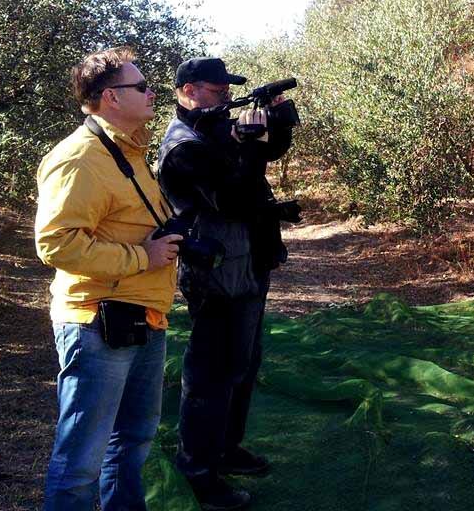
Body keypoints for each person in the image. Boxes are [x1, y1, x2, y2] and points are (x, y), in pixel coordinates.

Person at [36, 47, 182, 511]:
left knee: (132, 442)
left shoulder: (130, 153)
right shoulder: (79, 158)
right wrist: (144, 256)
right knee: (81, 459)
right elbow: (56, 244)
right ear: (110, 98)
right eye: (141, 87)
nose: (152, 92)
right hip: (97, 323)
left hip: (144, 316)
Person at [157, 57, 295, 511]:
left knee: (244, 363)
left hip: (247, 262)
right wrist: (252, 146)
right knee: (211, 372)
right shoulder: (183, 147)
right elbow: (233, 195)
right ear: (189, 90)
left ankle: (226, 448)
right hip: (216, 272)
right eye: (217, 91)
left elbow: (262, 158)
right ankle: (198, 469)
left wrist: (278, 127)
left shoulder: (213, 131)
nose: (224, 97)